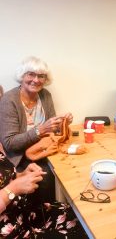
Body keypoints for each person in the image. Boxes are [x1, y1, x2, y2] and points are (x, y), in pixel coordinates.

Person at [0, 56, 73, 202]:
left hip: (43, 149)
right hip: (19, 157)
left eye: (41, 76)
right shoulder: (9, 100)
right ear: (22, 76)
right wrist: (40, 130)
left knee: (69, 168)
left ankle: (61, 209)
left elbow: (51, 131)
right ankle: (45, 215)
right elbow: (9, 143)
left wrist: (62, 122)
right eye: (31, 74)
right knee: (46, 178)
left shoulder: (45, 95)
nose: (36, 80)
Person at [0, 145, 86, 238]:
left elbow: (4, 178)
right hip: (11, 231)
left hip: (23, 213)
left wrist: (21, 175)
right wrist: (13, 188)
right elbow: (11, 142)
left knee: (77, 216)